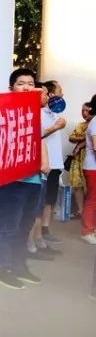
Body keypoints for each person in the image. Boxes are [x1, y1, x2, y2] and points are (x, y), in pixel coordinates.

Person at [0, 69, 51, 290]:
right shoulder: (6, 112)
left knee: (25, 227)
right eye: (21, 83)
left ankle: (18, 266)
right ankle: (3, 269)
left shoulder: (34, 113)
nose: (27, 87)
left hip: (34, 180)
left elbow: (39, 139)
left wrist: (44, 161)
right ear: (11, 89)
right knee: (9, 226)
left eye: (30, 83)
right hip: (12, 181)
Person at [28, 80, 66, 256]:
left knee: (49, 200)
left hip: (55, 163)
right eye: (59, 90)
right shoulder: (39, 113)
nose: (62, 94)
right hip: (44, 165)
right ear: (50, 94)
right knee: (38, 204)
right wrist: (56, 127)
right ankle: (34, 242)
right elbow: (38, 135)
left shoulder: (55, 112)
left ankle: (43, 233)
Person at [68, 103, 92, 219]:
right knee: (77, 185)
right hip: (78, 158)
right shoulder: (80, 125)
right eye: (82, 110)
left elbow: (92, 139)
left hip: (90, 157)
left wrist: (79, 144)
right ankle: (81, 211)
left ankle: (90, 213)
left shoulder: (94, 124)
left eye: (87, 110)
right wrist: (83, 138)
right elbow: (71, 137)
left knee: (90, 186)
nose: (84, 113)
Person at [79, 95, 96, 243]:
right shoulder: (95, 122)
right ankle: (87, 231)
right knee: (92, 199)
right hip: (92, 167)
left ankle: (92, 229)